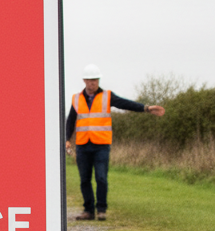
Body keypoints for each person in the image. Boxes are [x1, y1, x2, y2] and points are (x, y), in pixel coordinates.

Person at [65, 64, 165, 220]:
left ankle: (101, 210)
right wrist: (67, 139)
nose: (93, 83)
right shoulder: (76, 99)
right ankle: (88, 211)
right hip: (83, 144)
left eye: (96, 80)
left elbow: (125, 103)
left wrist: (145, 108)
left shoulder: (107, 96)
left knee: (101, 177)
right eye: (90, 80)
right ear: (84, 80)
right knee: (84, 179)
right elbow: (71, 120)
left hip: (101, 145)